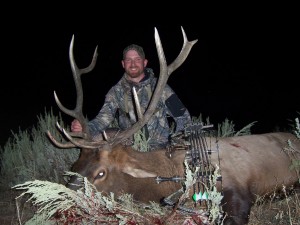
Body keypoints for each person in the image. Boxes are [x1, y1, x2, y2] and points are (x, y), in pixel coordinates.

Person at [71, 44, 192, 150]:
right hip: (129, 151)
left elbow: (183, 116)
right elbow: (103, 120)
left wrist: (176, 142)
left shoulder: (161, 87)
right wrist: (85, 127)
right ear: (123, 64)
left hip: (160, 150)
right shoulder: (115, 92)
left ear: (144, 63)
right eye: (128, 60)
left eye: (137, 59)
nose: (133, 64)